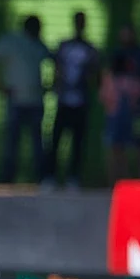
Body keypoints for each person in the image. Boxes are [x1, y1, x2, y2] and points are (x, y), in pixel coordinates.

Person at [0, 15, 51, 185]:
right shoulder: (11, 41)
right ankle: (7, 179)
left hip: (35, 101)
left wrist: (51, 85)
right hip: (16, 101)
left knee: (37, 142)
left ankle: (41, 178)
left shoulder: (38, 45)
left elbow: (53, 60)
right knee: (12, 142)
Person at [43, 12, 99, 191]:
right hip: (63, 102)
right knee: (56, 141)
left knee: (78, 143)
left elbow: (94, 75)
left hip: (81, 103)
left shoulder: (90, 49)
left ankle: (73, 178)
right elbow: (55, 67)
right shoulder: (64, 46)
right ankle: (50, 177)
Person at [99, 55, 140, 184]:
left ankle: (116, 181)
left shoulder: (110, 80)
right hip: (122, 118)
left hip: (116, 118)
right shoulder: (131, 81)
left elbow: (103, 97)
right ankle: (124, 180)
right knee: (123, 152)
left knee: (117, 152)